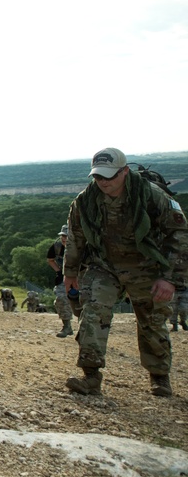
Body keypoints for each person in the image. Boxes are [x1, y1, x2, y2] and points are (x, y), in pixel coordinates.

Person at [63, 147, 188, 398]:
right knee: (93, 312)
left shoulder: (152, 196)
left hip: (146, 266)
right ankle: (90, 376)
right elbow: (76, 235)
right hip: (104, 265)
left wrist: (169, 279)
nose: (103, 182)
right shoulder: (85, 200)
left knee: (151, 321)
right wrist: (70, 272)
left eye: (110, 176)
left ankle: (159, 377)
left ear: (125, 172)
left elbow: (180, 235)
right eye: (98, 177)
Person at [47, 224, 76, 338]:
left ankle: (87, 330)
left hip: (81, 277)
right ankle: (67, 326)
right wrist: (59, 271)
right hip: (64, 277)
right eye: (62, 236)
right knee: (60, 299)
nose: (64, 238)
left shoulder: (81, 247)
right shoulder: (57, 247)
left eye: (67, 236)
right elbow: (50, 260)